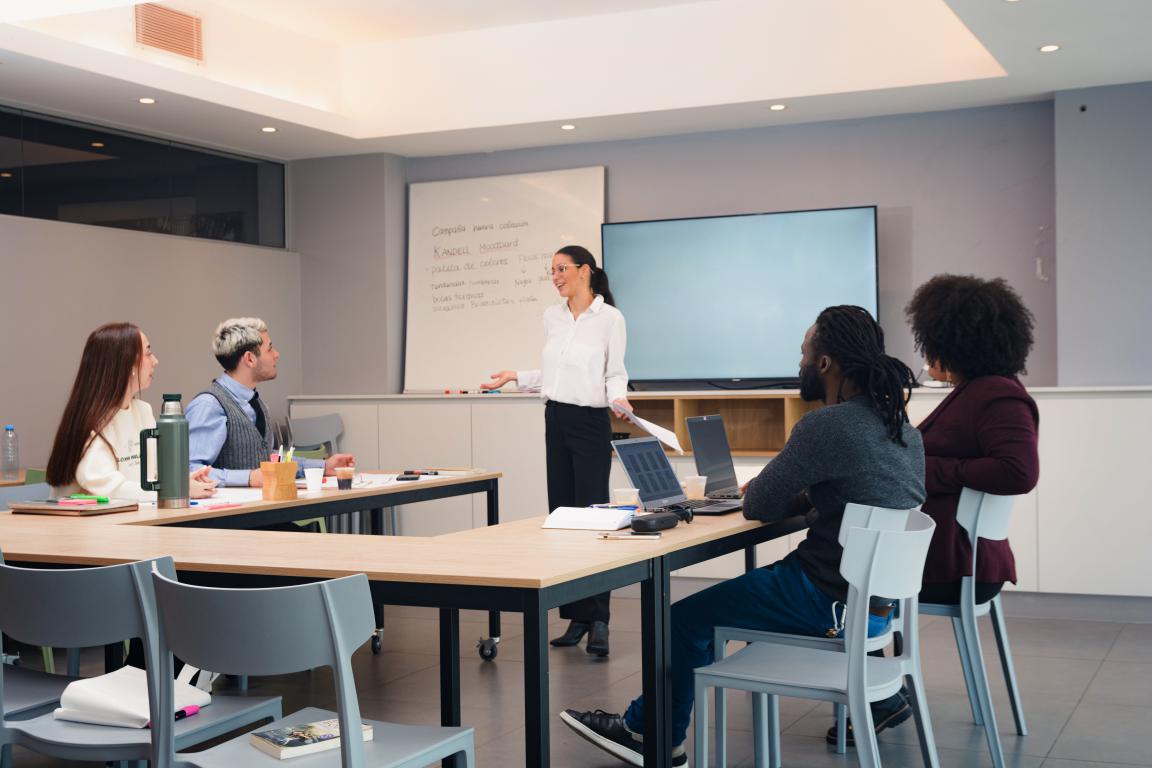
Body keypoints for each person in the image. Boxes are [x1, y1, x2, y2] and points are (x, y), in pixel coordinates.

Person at [561, 305, 925, 767]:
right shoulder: (902, 428)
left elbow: (758, 506)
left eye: (803, 353)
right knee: (726, 605)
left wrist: (788, 491)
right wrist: (810, 495)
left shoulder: (826, 427)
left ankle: (649, 734)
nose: (800, 365)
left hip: (826, 601)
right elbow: (851, 497)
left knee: (680, 620)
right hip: (874, 608)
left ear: (825, 363)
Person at [826, 274, 1041, 747]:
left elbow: (1018, 471)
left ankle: (878, 695)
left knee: (836, 575)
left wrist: (927, 470)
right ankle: (883, 691)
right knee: (860, 567)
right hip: (958, 556)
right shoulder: (978, 392)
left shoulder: (997, 395)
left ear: (952, 338)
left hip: (957, 562)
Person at [481, 245, 632, 657]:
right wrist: (515, 377)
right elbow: (553, 373)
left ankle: (599, 618)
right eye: (551, 271)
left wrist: (621, 400)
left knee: (593, 517)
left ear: (585, 271)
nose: (556, 277)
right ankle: (577, 617)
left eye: (562, 269)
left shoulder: (610, 319)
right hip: (556, 420)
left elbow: (615, 373)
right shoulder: (553, 317)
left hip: (590, 423)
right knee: (563, 515)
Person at [47, 322, 217, 502]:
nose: (156, 361)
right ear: (127, 363)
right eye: (149, 353)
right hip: (85, 526)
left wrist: (181, 482)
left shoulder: (143, 411)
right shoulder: (91, 420)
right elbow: (108, 488)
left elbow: (151, 477)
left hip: (133, 519)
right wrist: (173, 489)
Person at [186, 317, 354, 486]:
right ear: (250, 359)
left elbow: (268, 457)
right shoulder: (208, 405)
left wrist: (323, 466)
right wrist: (249, 478)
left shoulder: (257, 404)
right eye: (270, 349)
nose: (276, 354)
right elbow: (190, 470)